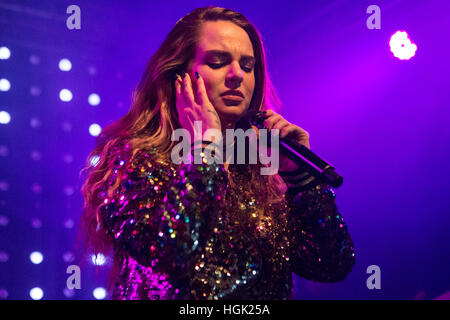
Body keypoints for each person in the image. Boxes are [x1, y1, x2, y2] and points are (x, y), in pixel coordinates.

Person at [79, 6, 355, 300]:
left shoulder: (260, 168)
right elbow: (175, 250)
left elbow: (331, 265)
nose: (237, 75)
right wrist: (204, 150)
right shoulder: (132, 159)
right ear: (178, 75)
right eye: (218, 62)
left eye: (248, 66)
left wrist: (301, 180)